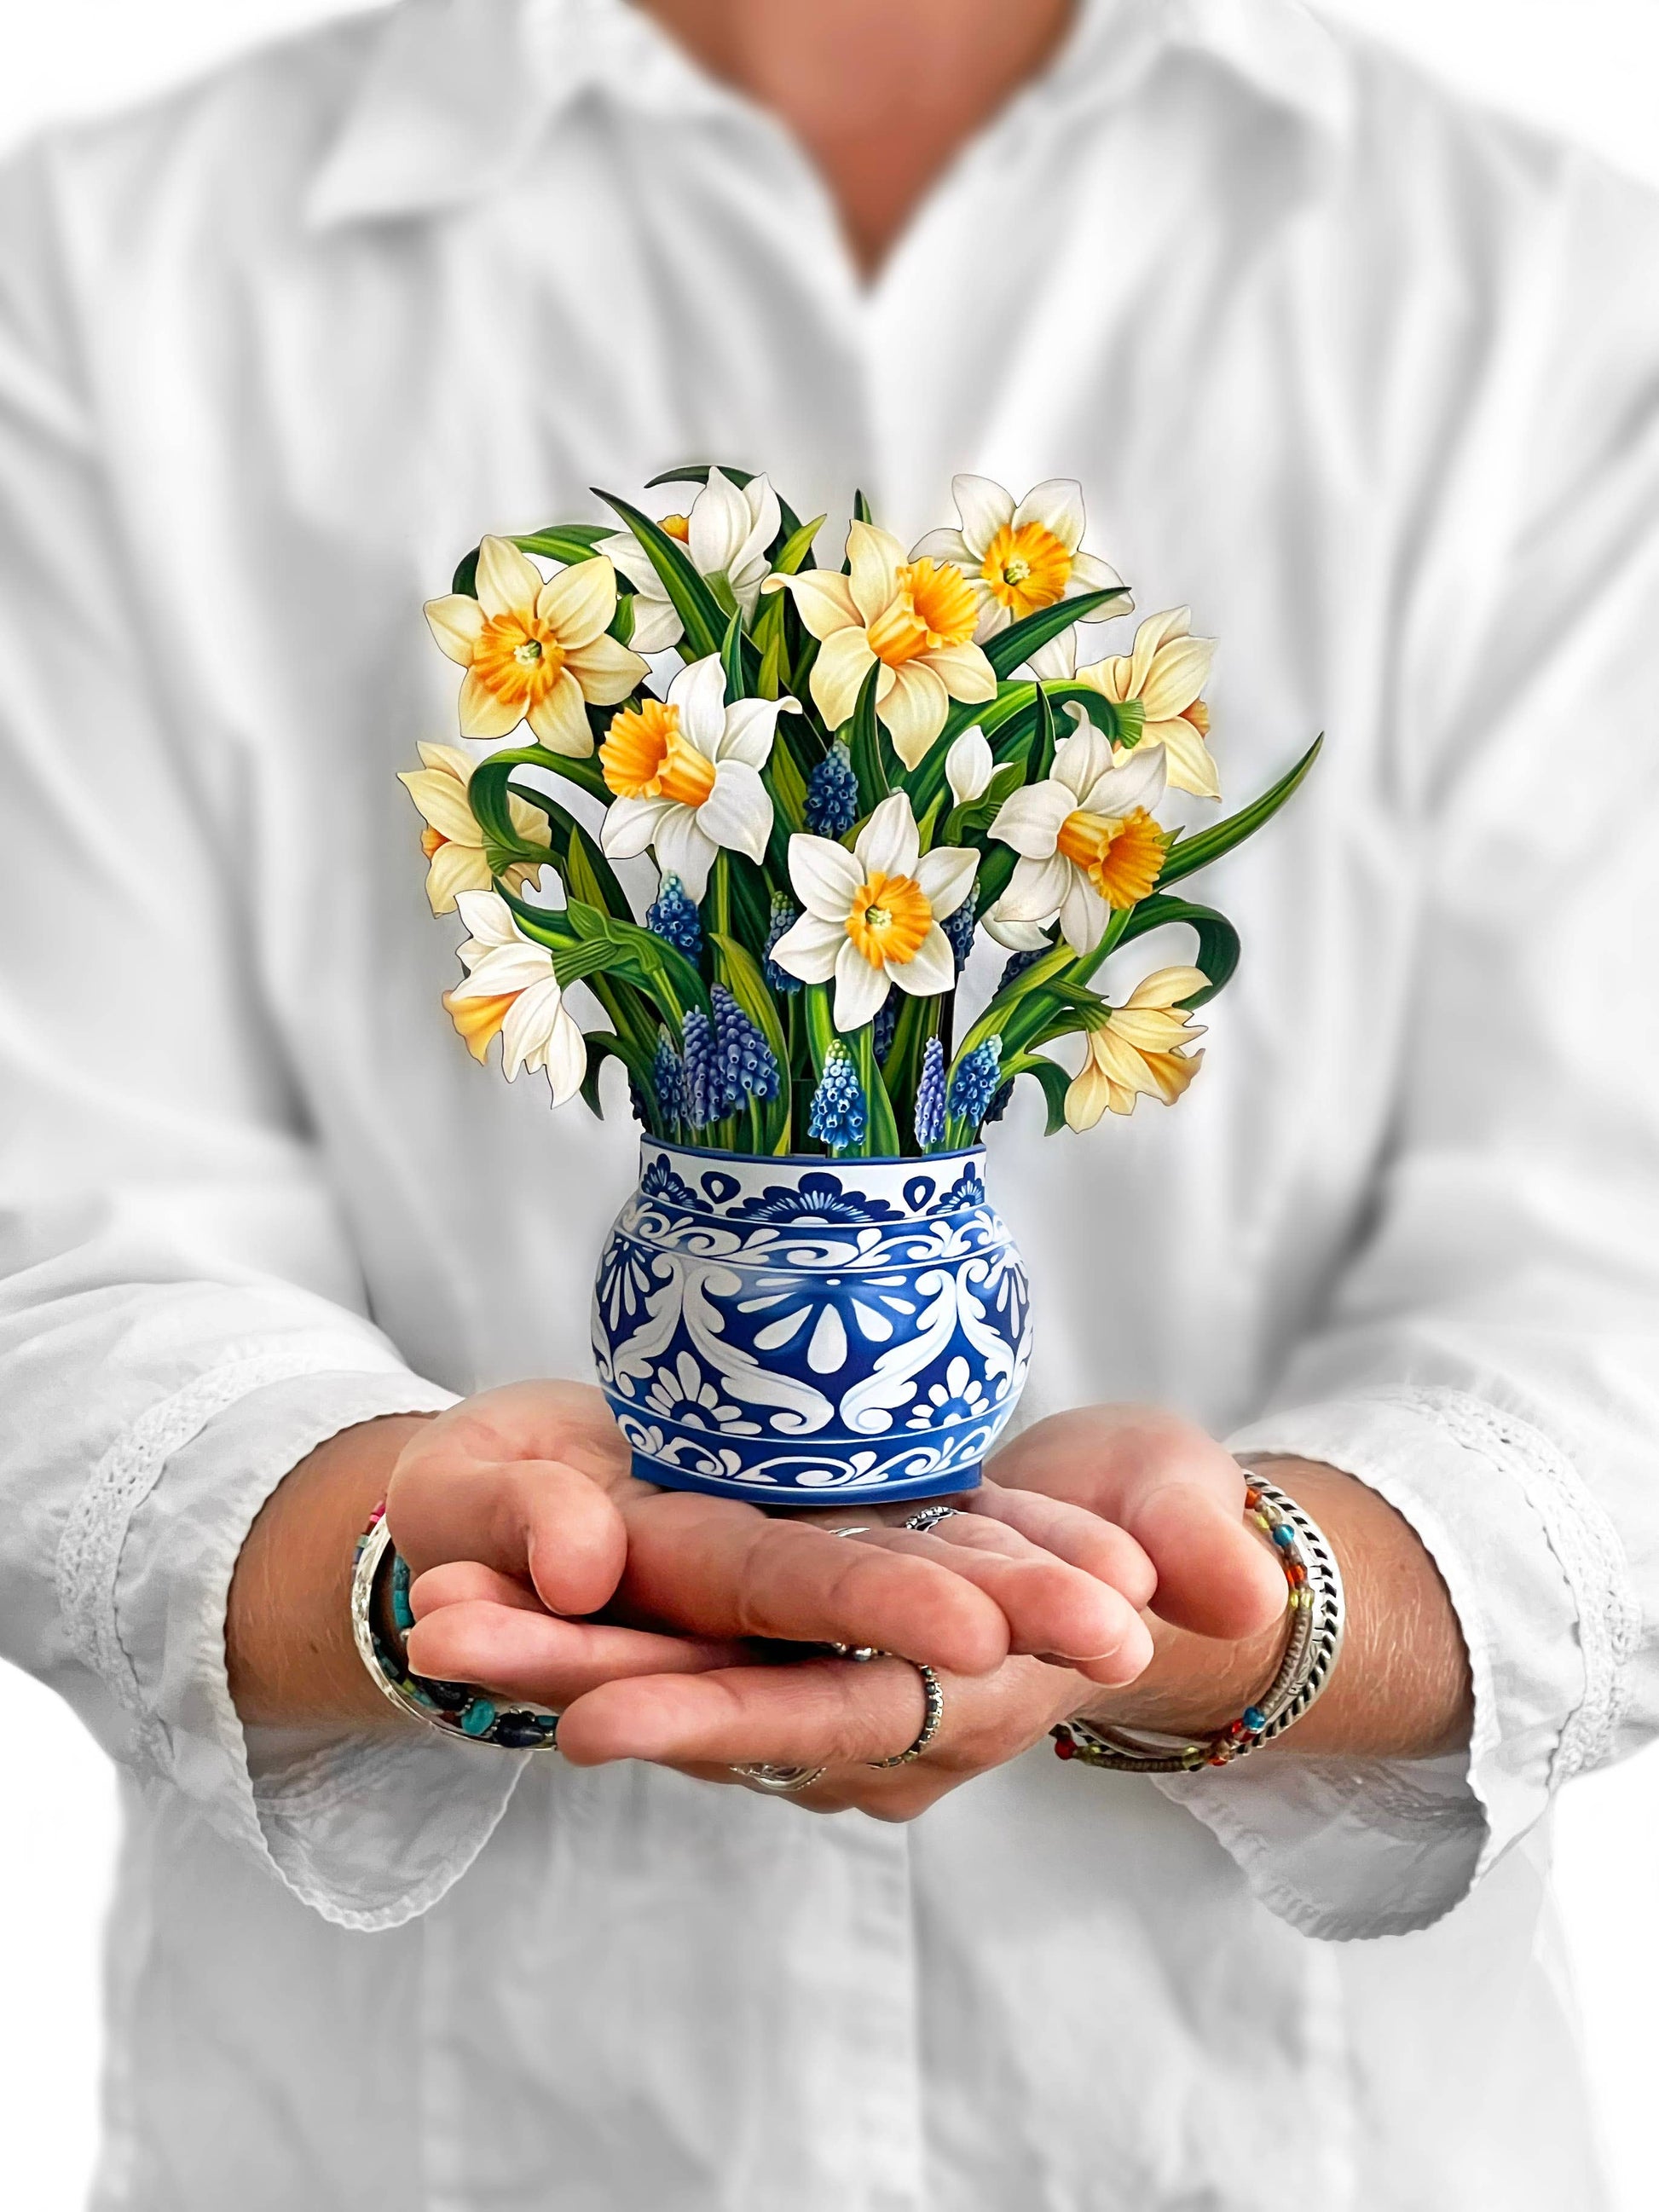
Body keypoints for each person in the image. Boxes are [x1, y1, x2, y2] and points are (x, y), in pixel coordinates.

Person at [2, 0, 1656, 2203]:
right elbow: (62, 1241)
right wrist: (407, 1563)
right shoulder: (114, 273)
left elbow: (1615, 1270)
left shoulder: (1539, 288)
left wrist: (1255, 1613)